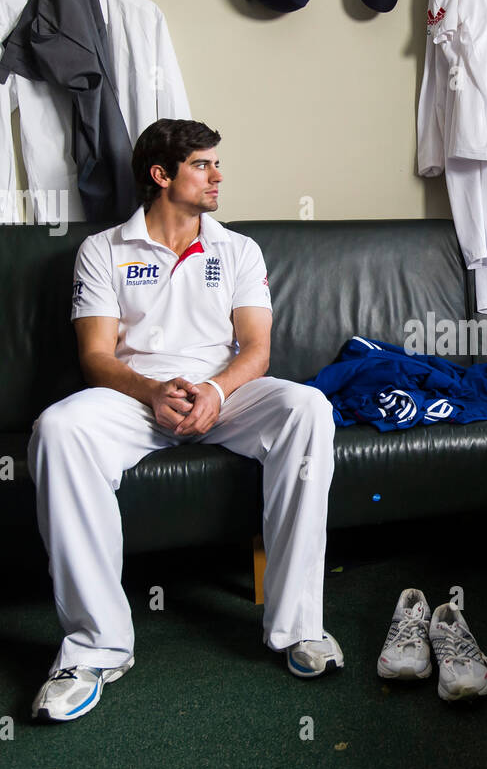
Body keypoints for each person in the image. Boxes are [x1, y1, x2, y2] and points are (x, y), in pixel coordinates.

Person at [27, 119, 342, 722]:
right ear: (161, 175)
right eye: (204, 164)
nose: (218, 175)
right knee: (58, 429)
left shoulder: (238, 249)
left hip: (222, 393)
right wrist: (150, 390)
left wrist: (215, 393)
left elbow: (256, 351)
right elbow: (95, 357)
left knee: (308, 408)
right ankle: (96, 648)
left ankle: (297, 627)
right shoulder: (102, 250)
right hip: (133, 396)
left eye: (217, 164)